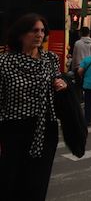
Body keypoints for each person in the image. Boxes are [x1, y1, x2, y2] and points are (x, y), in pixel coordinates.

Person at [0, 13, 68, 200]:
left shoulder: (50, 59)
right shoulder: (5, 63)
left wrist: (61, 83)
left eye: (42, 30)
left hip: (45, 128)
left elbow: (57, 79)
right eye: (34, 30)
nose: (39, 34)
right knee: (10, 181)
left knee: (38, 183)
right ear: (21, 34)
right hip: (13, 129)